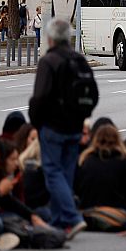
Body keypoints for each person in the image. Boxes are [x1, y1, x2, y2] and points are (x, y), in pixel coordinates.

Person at [28, 18, 91, 239]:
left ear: (50, 38)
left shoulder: (50, 61)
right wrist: (82, 117)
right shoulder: (79, 59)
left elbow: (40, 97)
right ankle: (59, 223)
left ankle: (72, 218)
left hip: (53, 126)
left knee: (52, 173)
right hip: (75, 125)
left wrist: (36, 122)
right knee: (65, 173)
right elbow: (93, 94)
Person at [75, 125, 126, 230]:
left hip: (87, 209)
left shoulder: (85, 160)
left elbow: (77, 186)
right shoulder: (124, 161)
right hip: (115, 209)